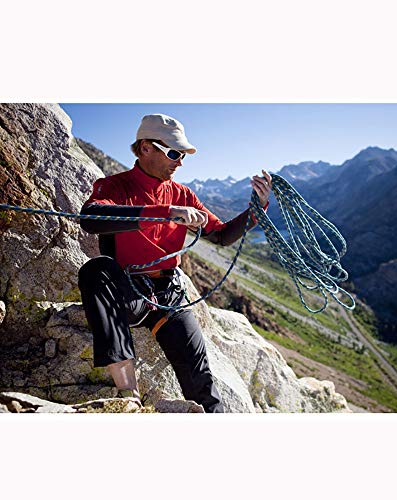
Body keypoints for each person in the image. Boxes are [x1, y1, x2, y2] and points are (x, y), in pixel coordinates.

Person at [78, 114, 272, 413]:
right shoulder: (114, 187)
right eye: (173, 153)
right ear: (145, 148)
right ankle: (128, 393)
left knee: (201, 380)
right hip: (129, 293)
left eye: (181, 155)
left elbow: (219, 235)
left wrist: (256, 209)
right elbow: (91, 219)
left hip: (169, 295)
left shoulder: (183, 195)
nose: (179, 162)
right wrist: (164, 212)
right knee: (95, 271)